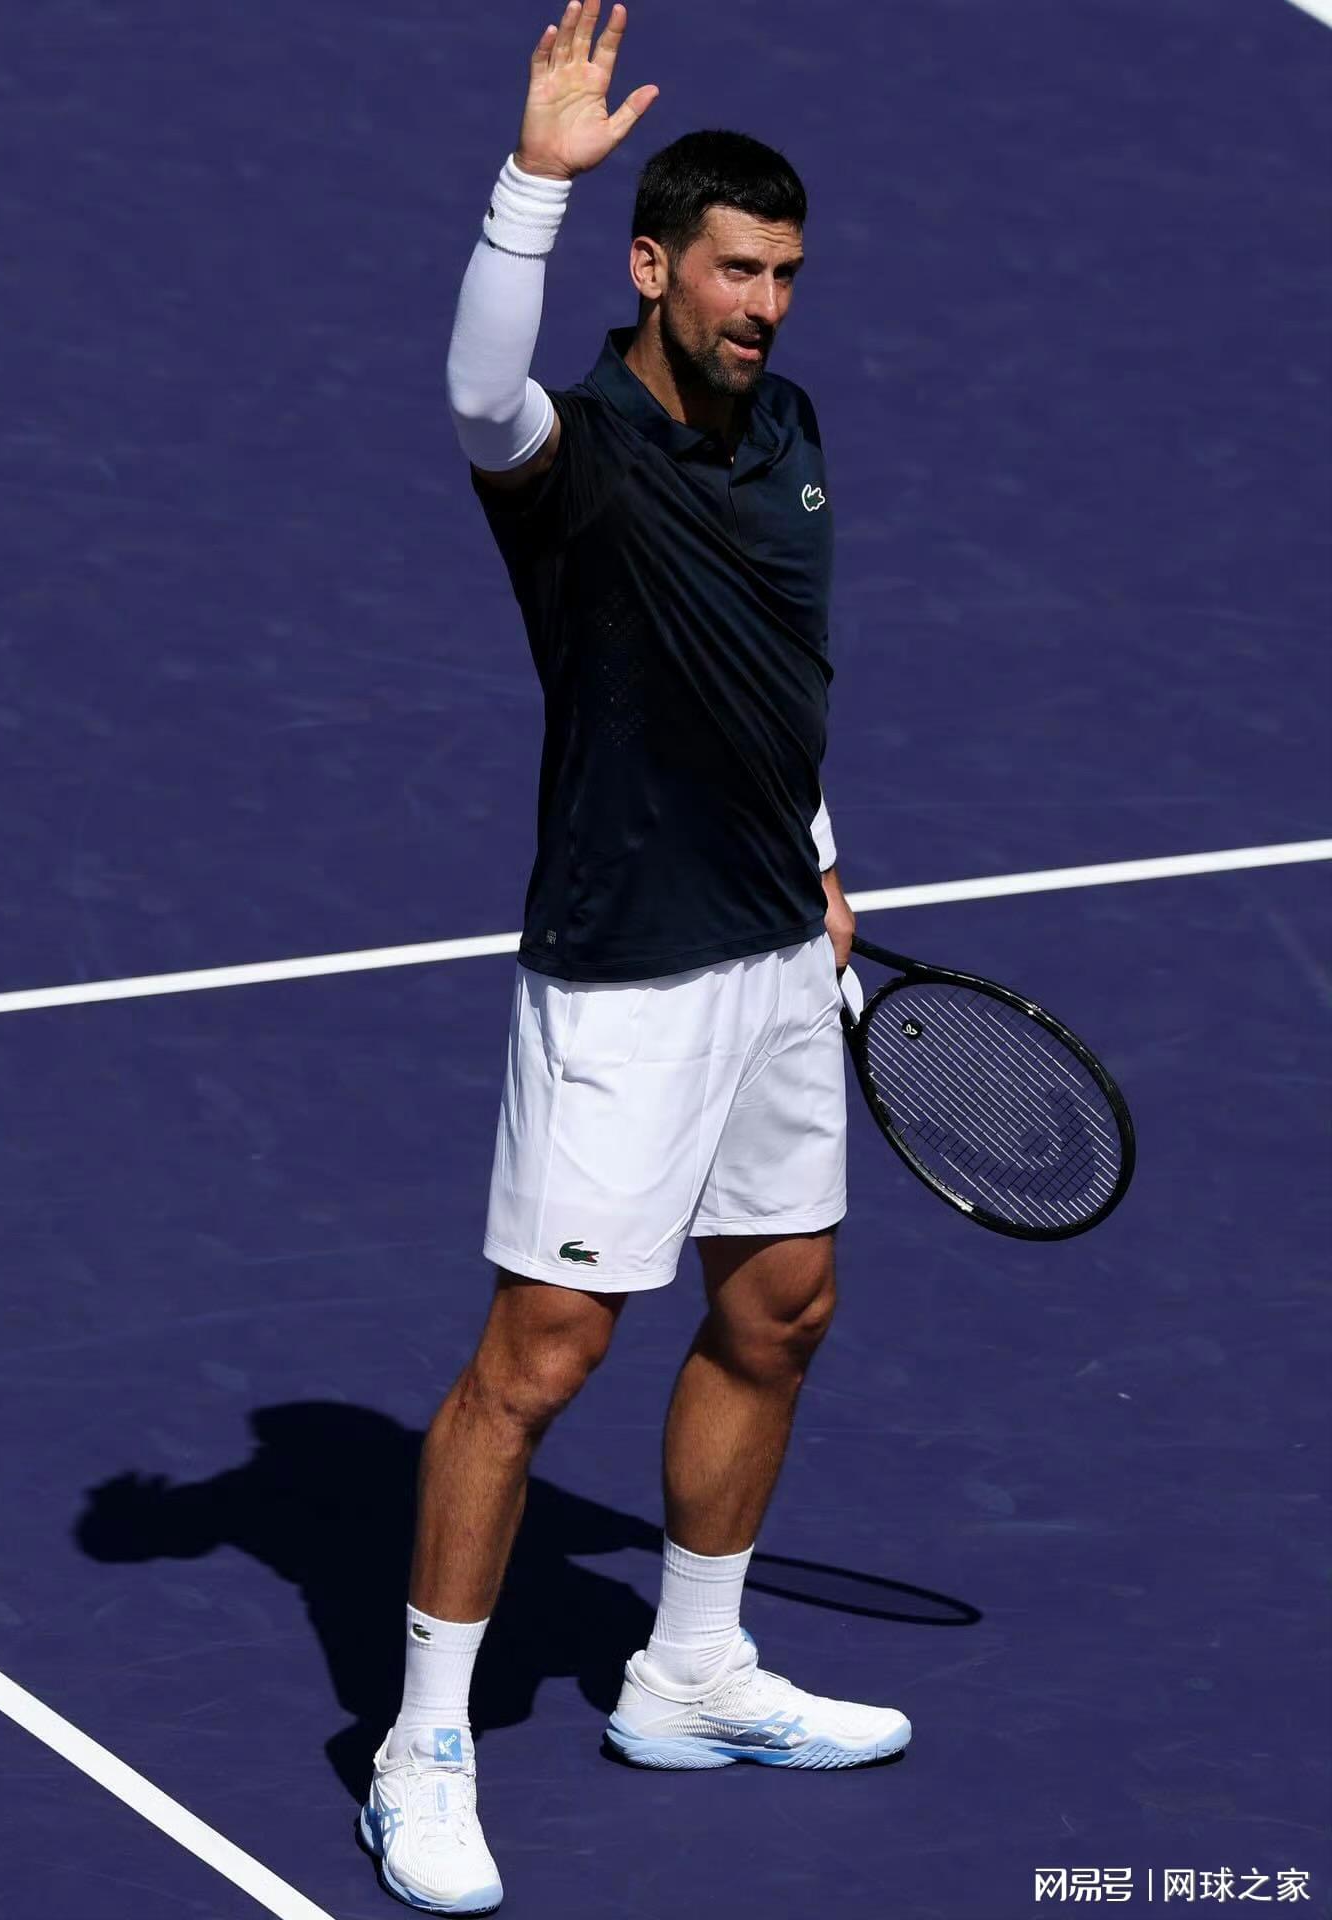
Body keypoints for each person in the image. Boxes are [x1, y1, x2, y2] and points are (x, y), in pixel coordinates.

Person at [358, 4, 910, 1910]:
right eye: (736, 272)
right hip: (624, 974)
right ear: (655, 270)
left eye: (788, 275)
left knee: (781, 1309)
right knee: (542, 1355)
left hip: (773, 953)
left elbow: (778, 686)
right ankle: (421, 1748)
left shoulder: (794, 436)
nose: (766, 307)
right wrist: (534, 182)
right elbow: (471, 394)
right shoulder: (576, 456)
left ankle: (689, 1673)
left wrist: (821, 863)